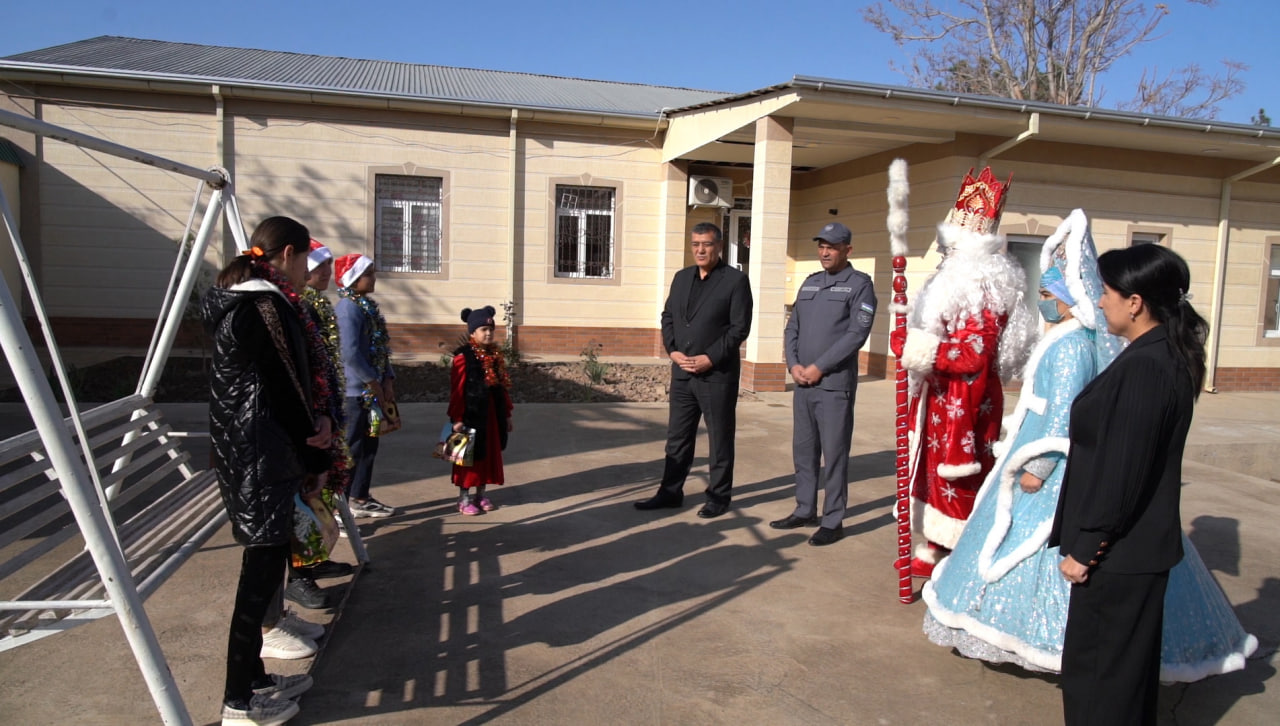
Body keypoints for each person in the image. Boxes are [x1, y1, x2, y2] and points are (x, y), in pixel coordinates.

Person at [1050, 243, 1227, 725]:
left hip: (1119, 555)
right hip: (1128, 551)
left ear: (1135, 301)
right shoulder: (1155, 354)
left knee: (1100, 680)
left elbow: (1124, 473)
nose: (1100, 300)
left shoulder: (1149, 367)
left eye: (1107, 292)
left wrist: (1085, 548)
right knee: (1120, 676)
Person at [203, 216, 327, 725]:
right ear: (290, 254)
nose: (307, 272)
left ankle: (254, 680)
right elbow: (286, 387)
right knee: (256, 582)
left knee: (264, 568)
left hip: (254, 454)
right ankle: (238, 703)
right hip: (261, 457)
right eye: (305, 260)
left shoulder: (246, 301)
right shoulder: (264, 305)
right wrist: (315, 448)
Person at [890, 167, 1035, 576]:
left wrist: (918, 350)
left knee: (959, 479)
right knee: (931, 474)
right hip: (939, 397)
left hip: (967, 404)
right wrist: (911, 342)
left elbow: (974, 354)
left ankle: (961, 553)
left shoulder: (988, 290)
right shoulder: (953, 281)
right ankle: (935, 544)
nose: (945, 250)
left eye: (952, 243)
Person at [635, 222, 753, 519]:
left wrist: (710, 358)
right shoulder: (681, 278)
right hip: (683, 373)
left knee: (719, 438)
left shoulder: (735, 281)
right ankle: (670, 492)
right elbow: (668, 316)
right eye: (696, 244)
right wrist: (672, 350)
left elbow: (739, 328)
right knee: (678, 437)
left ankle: (718, 496)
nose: (701, 249)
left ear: (719, 246)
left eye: (707, 244)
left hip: (716, 374)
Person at [770, 221, 877, 546]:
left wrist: (819, 367)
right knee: (803, 451)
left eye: (832, 246)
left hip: (833, 387)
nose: (825, 251)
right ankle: (805, 509)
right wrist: (794, 364)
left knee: (834, 454)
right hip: (803, 384)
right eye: (821, 246)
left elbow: (856, 334)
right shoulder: (810, 283)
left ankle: (833, 519)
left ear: (847, 250)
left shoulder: (860, 284)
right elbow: (792, 329)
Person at [334, 253, 399, 519]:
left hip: (371, 390)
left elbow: (379, 348)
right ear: (353, 279)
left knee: (369, 445)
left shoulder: (366, 307)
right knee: (351, 447)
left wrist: (388, 378)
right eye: (368, 273)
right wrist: (372, 381)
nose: (373, 277)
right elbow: (349, 352)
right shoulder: (347, 308)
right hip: (356, 392)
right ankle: (339, 504)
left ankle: (359, 497)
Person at [448, 306, 515, 514]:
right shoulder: (463, 358)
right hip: (470, 416)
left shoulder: (495, 356)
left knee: (487, 457)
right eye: (483, 329)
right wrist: (457, 418)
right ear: (472, 333)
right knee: (467, 459)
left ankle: (480, 494)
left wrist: (507, 414)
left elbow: (501, 388)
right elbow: (458, 391)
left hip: (491, 417)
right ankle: (464, 498)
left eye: (490, 329)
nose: (487, 333)